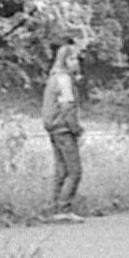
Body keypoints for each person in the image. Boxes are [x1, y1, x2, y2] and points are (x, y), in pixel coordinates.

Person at [38, 41, 85, 217]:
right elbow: (67, 107)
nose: (76, 62)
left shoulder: (53, 78)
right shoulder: (64, 79)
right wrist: (77, 129)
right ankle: (64, 208)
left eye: (76, 59)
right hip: (64, 129)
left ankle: (53, 208)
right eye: (72, 59)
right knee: (74, 171)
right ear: (64, 60)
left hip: (53, 129)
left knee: (61, 171)